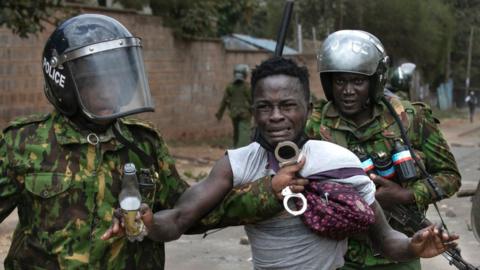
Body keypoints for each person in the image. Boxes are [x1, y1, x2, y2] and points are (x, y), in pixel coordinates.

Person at [0, 14, 306, 270]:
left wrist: (268, 190)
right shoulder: (24, 142)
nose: (111, 91)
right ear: (62, 83)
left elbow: (188, 212)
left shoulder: (142, 143)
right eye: (96, 81)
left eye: (117, 79)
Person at [105, 57, 459, 270]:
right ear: (253, 110)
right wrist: (146, 223)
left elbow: (384, 239)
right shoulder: (237, 163)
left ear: (307, 106)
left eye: (287, 105)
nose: (275, 117)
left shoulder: (338, 160)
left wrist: (414, 246)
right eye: (264, 107)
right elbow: (179, 219)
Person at [306, 30, 461, 270]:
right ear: (329, 82)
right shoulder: (313, 125)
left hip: (400, 255)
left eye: (358, 81)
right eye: (340, 81)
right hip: (337, 255)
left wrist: (407, 195)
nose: (348, 91)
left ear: (375, 80)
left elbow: (449, 177)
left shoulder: (410, 118)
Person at [216, 64, 252, 148]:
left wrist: (219, 114)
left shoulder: (230, 87)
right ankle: (241, 151)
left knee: (236, 133)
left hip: (234, 113)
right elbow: (252, 100)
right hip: (245, 115)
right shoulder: (246, 87)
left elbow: (224, 102)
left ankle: (236, 149)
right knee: (244, 133)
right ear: (244, 74)